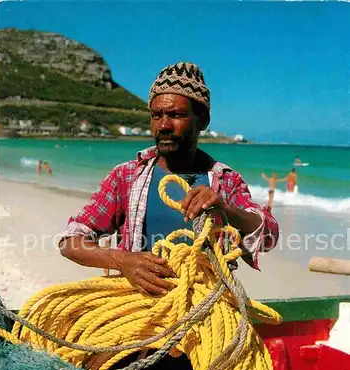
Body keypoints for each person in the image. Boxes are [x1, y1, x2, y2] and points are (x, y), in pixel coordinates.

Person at [60, 62, 279, 296]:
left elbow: (269, 236)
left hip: (206, 305)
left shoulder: (224, 182)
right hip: (137, 306)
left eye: (176, 115)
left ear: (202, 120)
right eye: (156, 115)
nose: (163, 125)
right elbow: (71, 241)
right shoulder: (126, 177)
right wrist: (122, 260)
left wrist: (226, 209)